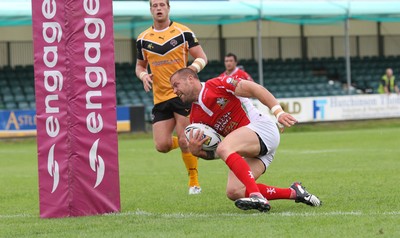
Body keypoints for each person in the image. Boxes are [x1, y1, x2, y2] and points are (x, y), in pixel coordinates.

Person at [170, 68, 322, 212]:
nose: (174, 91)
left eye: (176, 85)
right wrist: (198, 152)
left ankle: (257, 197)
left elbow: (255, 89)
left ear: (190, 79)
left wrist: (278, 112)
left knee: (225, 148)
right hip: (253, 148)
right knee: (235, 191)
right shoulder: (196, 119)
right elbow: (217, 153)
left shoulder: (218, 84)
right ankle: (295, 192)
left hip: (262, 128)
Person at [135, 0, 208, 195]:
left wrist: (190, 70)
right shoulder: (143, 39)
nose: (158, 8)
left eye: (162, 5)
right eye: (154, 5)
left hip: (182, 95)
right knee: (162, 145)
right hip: (160, 98)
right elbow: (140, 66)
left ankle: (194, 181)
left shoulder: (183, 32)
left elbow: (202, 57)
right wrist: (143, 76)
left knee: (185, 138)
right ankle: (186, 142)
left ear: (168, 8)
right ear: (151, 10)